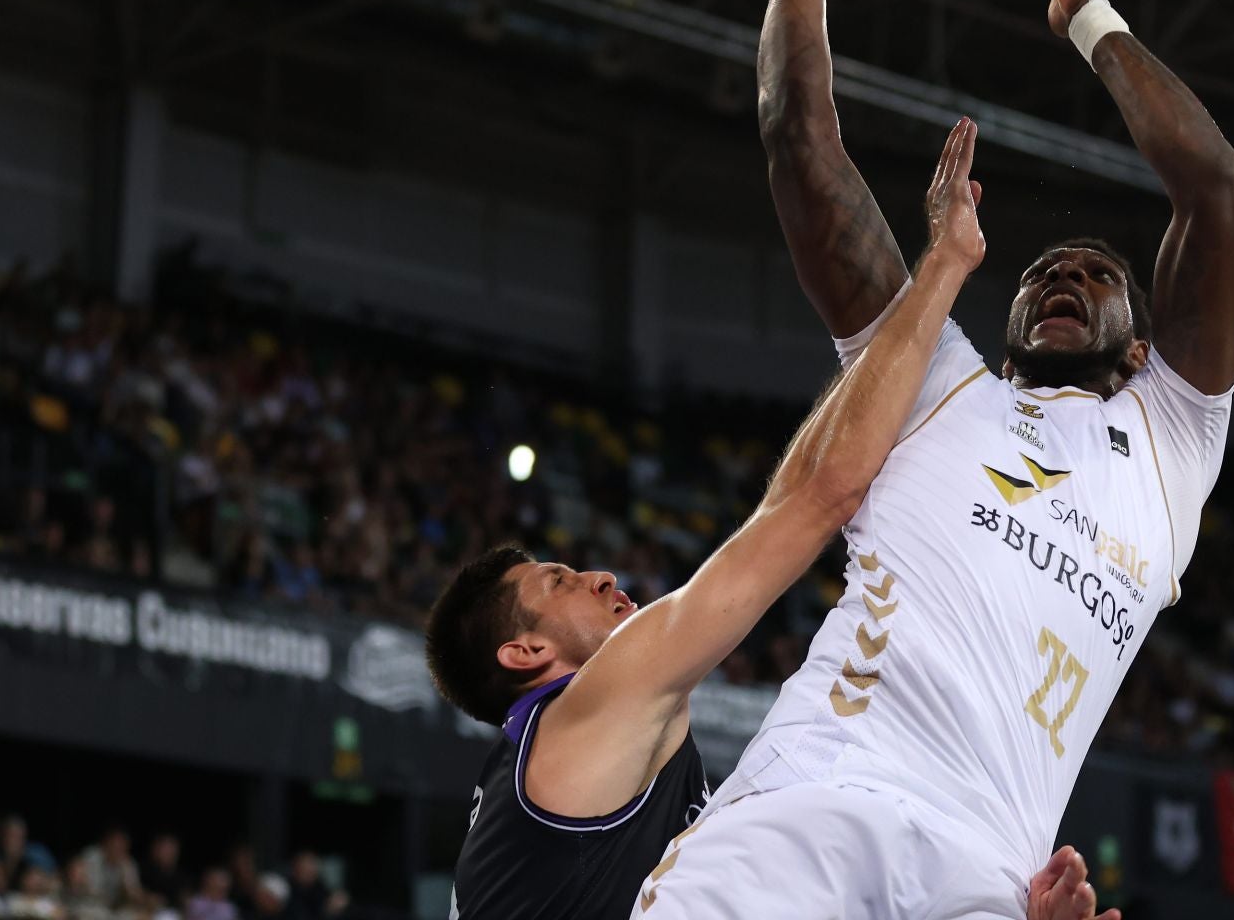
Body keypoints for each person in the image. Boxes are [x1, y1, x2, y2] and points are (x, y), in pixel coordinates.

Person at [631, 0, 1234, 920]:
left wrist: (1086, 17)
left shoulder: (1174, 439)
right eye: (1042, 272)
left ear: (1147, 342)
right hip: (816, 795)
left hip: (987, 874)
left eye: (1094, 273)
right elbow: (799, 144)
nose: (1061, 276)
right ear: (1006, 318)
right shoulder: (932, 385)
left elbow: (1215, 190)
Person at [429, 124, 1105, 920]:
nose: (601, 575)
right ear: (526, 651)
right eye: (560, 582)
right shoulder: (594, 707)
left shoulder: (556, 796)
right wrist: (945, 266)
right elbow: (817, 495)